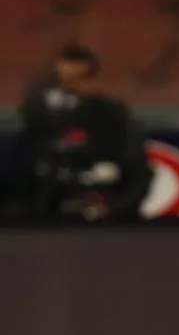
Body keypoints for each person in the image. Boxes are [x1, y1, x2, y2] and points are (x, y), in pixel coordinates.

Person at [1, 45, 152, 222]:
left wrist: (116, 210)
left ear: (93, 79)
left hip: (100, 215)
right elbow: (20, 177)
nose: (72, 89)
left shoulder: (113, 117)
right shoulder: (36, 124)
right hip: (46, 218)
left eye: (78, 80)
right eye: (64, 82)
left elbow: (137, 175)